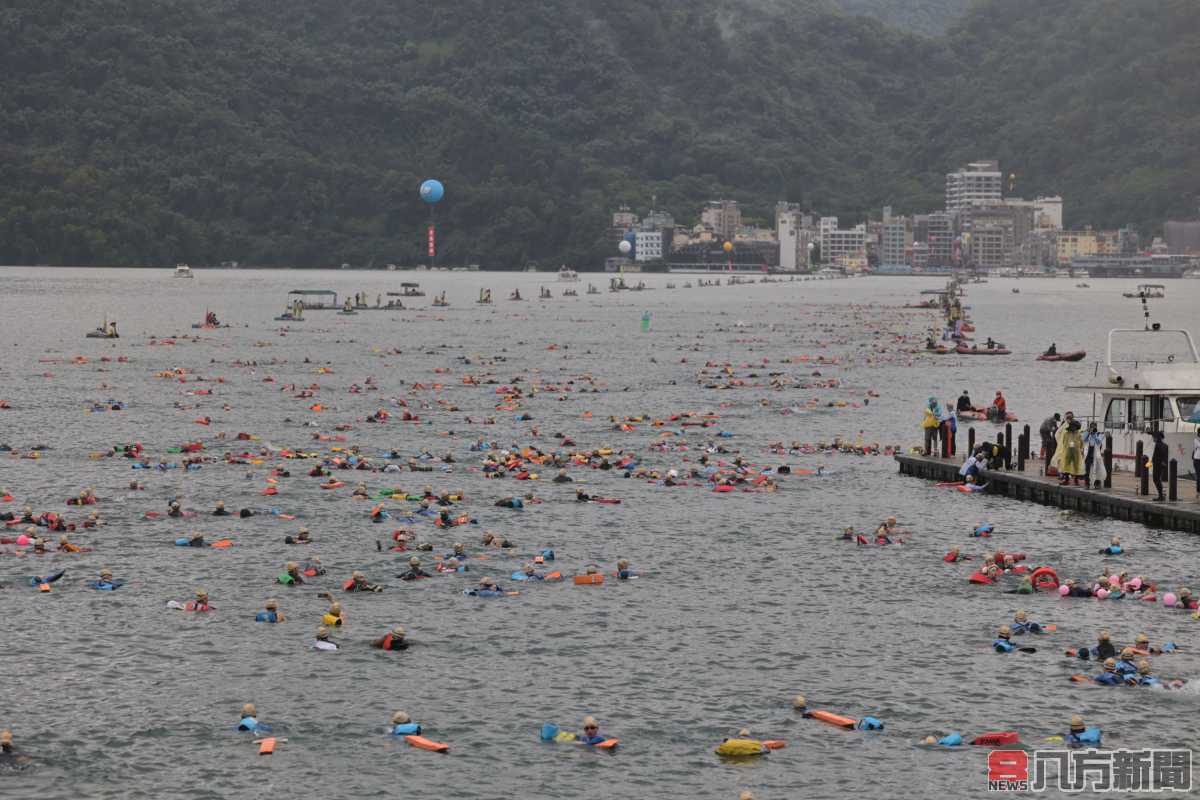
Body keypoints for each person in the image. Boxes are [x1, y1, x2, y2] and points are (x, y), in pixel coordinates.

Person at [1053, 419, 1085, 486]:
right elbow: (1064, 442)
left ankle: (1076, 480)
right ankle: (1066, 480)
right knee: (1066, 465)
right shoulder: (1066, 434)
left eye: (1074, 427)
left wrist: (1081, 450)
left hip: (1076, 452)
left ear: (1076, 427)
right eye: (1072, 426)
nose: (1073, 428)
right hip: (1068, 452)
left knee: (1076, 466)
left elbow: (1082, 443)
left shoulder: (1079, 434)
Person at [1084, 422, 1107, 489]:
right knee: (1087, 469)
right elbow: (1083, 439)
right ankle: (1087, 483)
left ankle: (1097, 483)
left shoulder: (1099, 434)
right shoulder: (1088, 433)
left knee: (1098, 469)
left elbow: (1098, 441)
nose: (1093, 428)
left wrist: (1094, 435)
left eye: (1094, 427)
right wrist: (1088, 432)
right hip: (1088, 453)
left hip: (1096, 453)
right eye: (1092, 427)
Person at [1151, 430, 1168, 501]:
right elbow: (1165, 455)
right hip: (1161, 464)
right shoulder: (1165, 445)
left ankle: (1160, 496)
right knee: (1158, 479)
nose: (1153, 439)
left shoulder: (1158, 444)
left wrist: (1152, 460)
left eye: (1153, 437)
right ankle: (1161, 495)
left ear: (1157, 438)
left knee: (1156, 479)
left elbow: (1157, 454)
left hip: (1157, 464)